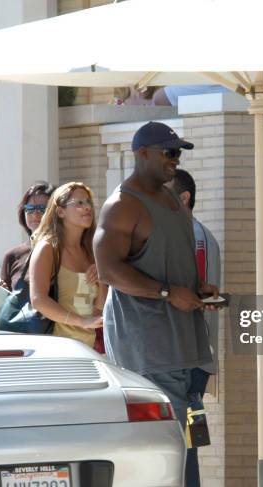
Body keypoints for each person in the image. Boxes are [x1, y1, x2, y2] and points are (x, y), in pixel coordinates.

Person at [93, 121, 218, 430]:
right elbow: (109, 270)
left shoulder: (172, 198)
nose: (175, 159)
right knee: (168, 444)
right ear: (142, 153)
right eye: (169, 152)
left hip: (190, 352)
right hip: (151, 352)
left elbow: (170, 260)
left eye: (178, 152)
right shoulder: (121, 205)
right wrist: (167, 292)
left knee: (192, 442)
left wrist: (198, 289)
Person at [167, 168, 221, 487]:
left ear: (184, 198)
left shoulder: (193, 236)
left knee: (184, 442)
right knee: (189, 440)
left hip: (187, 359)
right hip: (192, 358)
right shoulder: (195, 234)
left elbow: (194, 294)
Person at [30, 182, 105, 350]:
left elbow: (99, 310)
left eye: (88, 202)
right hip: (57, 349)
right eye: (79, 203)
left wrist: (103, 277)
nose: (87, 208)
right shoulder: (47, 248)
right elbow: (38, 300)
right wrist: (82, 321)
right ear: (60, 211)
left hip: (90, 349)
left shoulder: (92, 251)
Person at [0, 182, 56, 291]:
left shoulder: (67, 249)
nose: (35, 215)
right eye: (30, 208)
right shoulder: (12, 256)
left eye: (42, 209)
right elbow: (7, 303)